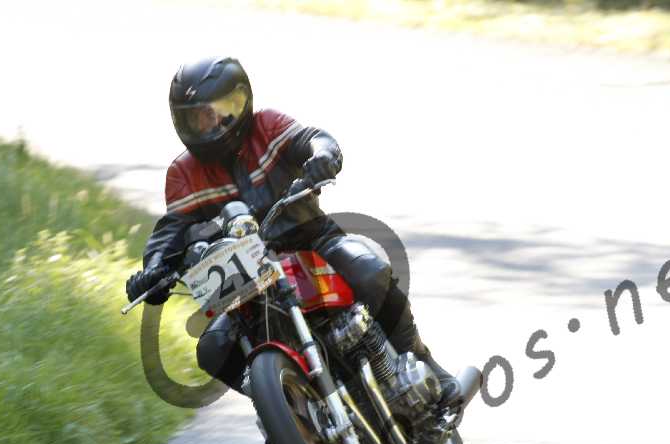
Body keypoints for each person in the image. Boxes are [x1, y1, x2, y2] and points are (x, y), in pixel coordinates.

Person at [125, 56, 460, 405]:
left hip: (310, 240)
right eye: (196, 117)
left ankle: (424, 362)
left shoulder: (267, 125)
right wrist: (153, 271)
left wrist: (323, 156)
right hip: (244, 278)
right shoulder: (183, 173)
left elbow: (313, 139)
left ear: (239, 102)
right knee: (212, 349)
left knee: (369, 270)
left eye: (216, 112)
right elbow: (170, 232)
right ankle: (288, 408)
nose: (209, 125)